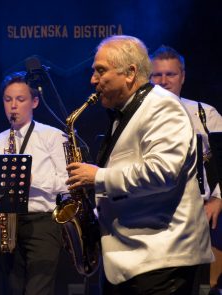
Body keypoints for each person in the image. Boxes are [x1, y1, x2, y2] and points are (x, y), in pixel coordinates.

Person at [66, 35, 213, 294]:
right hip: (135, 259)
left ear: (130, 73)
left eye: (101, 71)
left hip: (161, 261)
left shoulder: (163, 107)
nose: (93, 80)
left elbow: (163, 172)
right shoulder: (127, 110)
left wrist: (98, 177)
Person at [0, 71, 67, 295]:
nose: (13, 106)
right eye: (8, 99)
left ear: (34, 102)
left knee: (38, 290)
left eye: (20, 100)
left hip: (43, 222)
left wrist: (32, 179)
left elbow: (68, 183)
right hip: (8, 224)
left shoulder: (53, 136)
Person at [150, 45, 222, 294]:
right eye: (157, 75)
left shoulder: (204, 113)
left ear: (183, 76)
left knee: (196, 284)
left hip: (200, 210)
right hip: (156, 213)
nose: (164, 81)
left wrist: (218, 198)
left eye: (170, 74)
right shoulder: (138, 116)